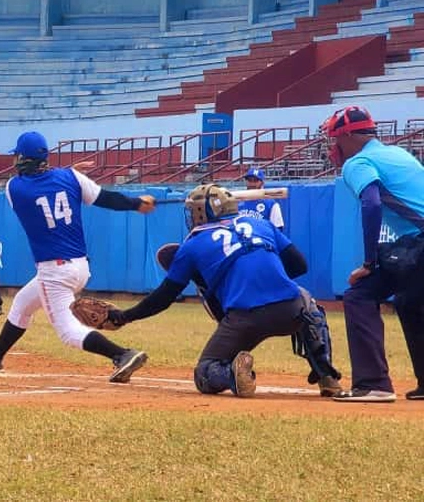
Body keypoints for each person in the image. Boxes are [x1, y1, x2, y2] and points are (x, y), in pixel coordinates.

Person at [94, 184, 341, 398]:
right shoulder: (261, 224)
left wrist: (125, 316)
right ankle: (326, 373)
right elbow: (299, 266)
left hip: (245, 318)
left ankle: (231, 376)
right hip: (289, 310)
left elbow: (164, 297)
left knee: (205, 372)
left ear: (201, 213)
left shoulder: (192, 244)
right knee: (306, 301)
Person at [0, 131, 154, 383]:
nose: (15, 160)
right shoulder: (71, 178)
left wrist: (67, 172)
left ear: (24, 159)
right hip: (80, 266)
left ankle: (122, 354)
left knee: (68, 331)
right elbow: (106, 198)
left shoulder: (14, 188)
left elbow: (39, 185)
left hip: (55, 271)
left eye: (18, 156)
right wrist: (136, 203)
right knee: (22, 303)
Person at [321, 106, 424, 402]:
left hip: (418, 241)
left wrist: (369, 262)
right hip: (415, 242)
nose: (334, 146)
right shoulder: (397, 153)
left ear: (350, 136)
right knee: (410, 302)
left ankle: (374, 384)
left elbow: (372, 204)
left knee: (359, 294)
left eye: (336, 138)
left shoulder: (359, 161)